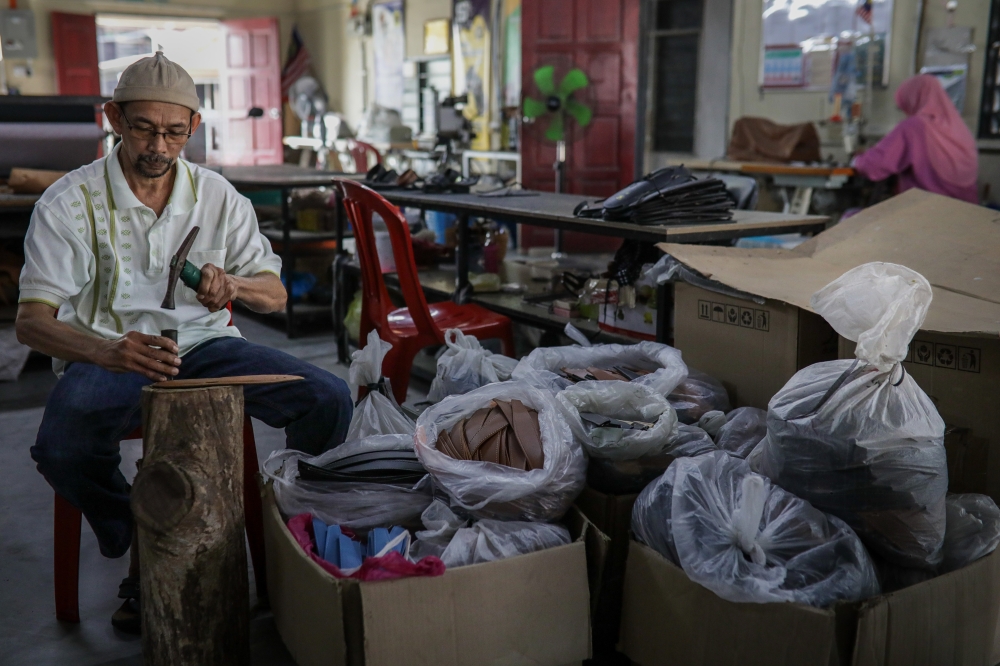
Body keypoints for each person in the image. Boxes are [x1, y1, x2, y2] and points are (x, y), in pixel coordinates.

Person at [15, 53, 353, 633]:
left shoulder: (217, 196)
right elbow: (30, 322)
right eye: (143, 128)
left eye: (174, 132)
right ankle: (136, 527)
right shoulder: (69, 202)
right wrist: (104, 351)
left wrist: (236, 284)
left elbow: (274, 295)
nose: (158, 146)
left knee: (327, 398)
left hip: (204, 346)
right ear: (113, 118)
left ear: (194, 126)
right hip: (113, 351)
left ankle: (294, 531)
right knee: (62, 448)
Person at [852, 74, 979, 204]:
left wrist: (856, 161)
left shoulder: (915, 127)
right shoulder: (959, 127)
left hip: (929, 210)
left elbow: (877, 163)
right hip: (966, 211)